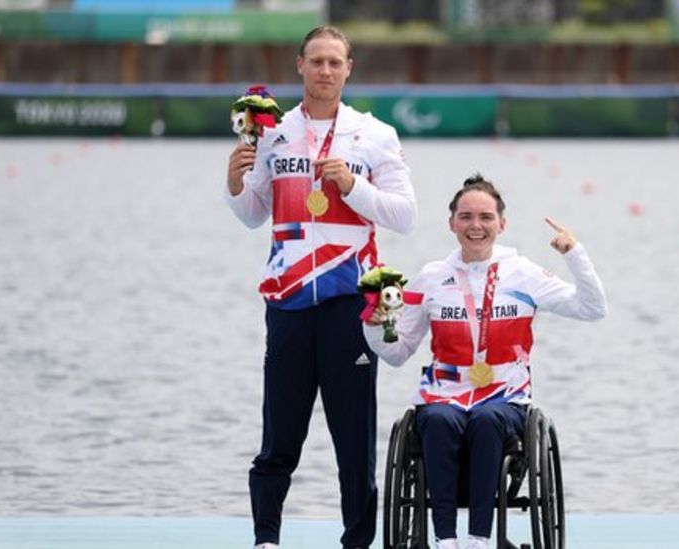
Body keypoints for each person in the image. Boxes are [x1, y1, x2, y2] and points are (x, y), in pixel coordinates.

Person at [224, 26, 416, 549]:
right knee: (279, 436)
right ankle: (267, 540)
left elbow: (405, 216)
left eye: (335, 62)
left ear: (349, 68)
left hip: (351, 303)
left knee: (353, 441)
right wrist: (236, 182)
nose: (325, 71)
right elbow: (251, 215)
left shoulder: (374, 135)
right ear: (299, 66)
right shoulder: (271, 133)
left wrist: (354, 186)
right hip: (286, 301)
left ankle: (356, 542)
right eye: (317, 62)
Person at [364, 175, 607, 549]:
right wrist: (375, 324)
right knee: (439, 419)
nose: (475, 226)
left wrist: (574, 253)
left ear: (501, 224)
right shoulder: (430, 278)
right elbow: (396, 353)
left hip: (504, 398)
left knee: (487, 419)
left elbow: (593, 309)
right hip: (444, 395)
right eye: (465, 217)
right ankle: (445, 539)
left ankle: (479, 539)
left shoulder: (523, 272)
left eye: (485, 217)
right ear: (451, 223)